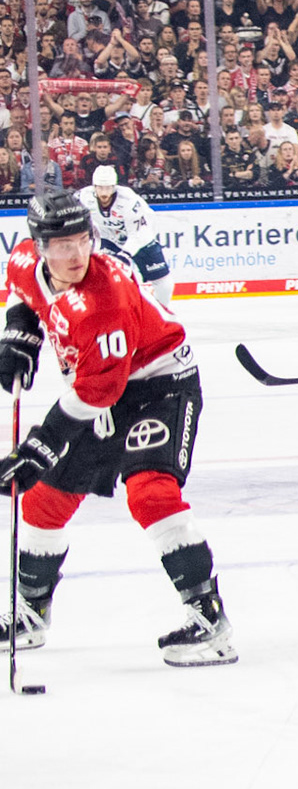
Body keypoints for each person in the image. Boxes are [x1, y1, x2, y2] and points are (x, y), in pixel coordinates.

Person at [0, 192, 235, 667]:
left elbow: (97, 393)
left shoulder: (103, 298)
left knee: (151, 492)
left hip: (159, 383)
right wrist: (19, 334)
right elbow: (25, 297)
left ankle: (210, 623)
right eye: (60, 244)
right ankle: (30, 613)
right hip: (101, 387)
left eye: (82, 240)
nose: (74, 255)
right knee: (47, 500)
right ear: (38, 245)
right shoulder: (23, 261)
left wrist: (40, 447)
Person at [85, 165, 174, 302]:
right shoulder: (83, 197)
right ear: (94, 186)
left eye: (108, 187)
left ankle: (159, 316)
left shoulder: (129, 200)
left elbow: (138, 233)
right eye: (100, 187)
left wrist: (125, 254)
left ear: (114, 186)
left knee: (164, 285)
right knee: (106, 279)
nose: (104, 193)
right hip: (110, 239)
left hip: (142, 239)